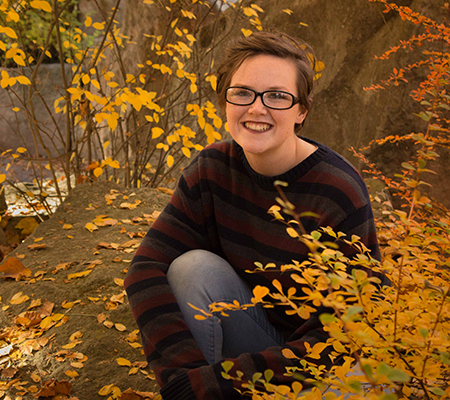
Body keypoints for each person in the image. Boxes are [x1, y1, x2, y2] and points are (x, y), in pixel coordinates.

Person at [124, 30, 380, 400]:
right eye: (242, 93)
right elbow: (144, 269)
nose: (257, 108)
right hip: (256, 335)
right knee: (191, 268)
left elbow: (347, 333)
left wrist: (223, 382)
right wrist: (187, 379)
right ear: (224, 101)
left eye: (277, 96)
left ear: (301, 111)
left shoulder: (337, 191)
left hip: (327, 363)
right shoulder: (211, 169)